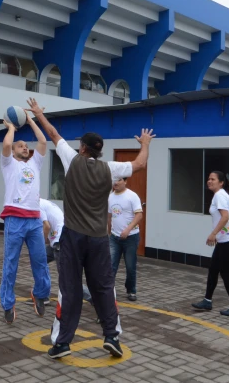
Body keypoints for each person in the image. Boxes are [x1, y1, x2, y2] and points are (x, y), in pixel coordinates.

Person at [26, 97, 154, 360]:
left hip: (72, 236)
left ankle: (62, 343)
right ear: (100, 151)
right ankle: (112, 337)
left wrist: (38, 113)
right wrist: (145, 144)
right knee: (104, 287)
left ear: (82, 148)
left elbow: (52, 133)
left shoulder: (72, 159)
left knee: (69, 290)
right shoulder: (110, 170)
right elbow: (140, 164)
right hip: (98, 239)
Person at [0, 114, 51, 324]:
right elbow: (6, 144)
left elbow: (43, 141)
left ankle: (39, 293)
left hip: (34, 220)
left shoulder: (35, 164)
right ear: (12, 151)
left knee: (40, 261)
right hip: (14, 219)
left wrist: (30, 121)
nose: (24, 147)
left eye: (25, 145)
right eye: (20, 145)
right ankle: (7, 304)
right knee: (10, 264)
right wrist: (12, 127)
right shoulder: (8, 164)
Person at [191, 171, 229, 317]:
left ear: (221, 182)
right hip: (225, 241)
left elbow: (225, 217)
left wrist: (213, 234)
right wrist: (218, 235)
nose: (209, 181)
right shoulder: (219, 195)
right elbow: (223, 219)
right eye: (208, 179)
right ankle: (207, 301)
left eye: (213, 179)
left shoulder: (220, 195)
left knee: (225, 273)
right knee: (213, 269)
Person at [39, 198, 92, 305]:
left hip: (61, 243)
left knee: (68, 279)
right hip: (58, 240)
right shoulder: (43, 202)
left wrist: (39, 245)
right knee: (39, 262)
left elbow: (47, 226)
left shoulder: (37, 205)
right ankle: (43, 295)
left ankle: (96, 300)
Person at [108, 177, 143, 302]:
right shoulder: (110, 197)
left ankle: (131, 290)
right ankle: (108, 291)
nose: (116, 182)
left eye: (119, 180)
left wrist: (128, 229)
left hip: (131, 237)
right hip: (114, 237)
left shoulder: (132, 196)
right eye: (114, 180)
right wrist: (109, 231)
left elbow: (139, 215)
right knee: (111, 265)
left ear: (125, 181)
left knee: (130, 266)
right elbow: (109, 215)